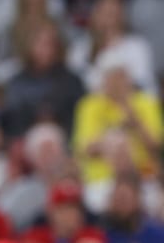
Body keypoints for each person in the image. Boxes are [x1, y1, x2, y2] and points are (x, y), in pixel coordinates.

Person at [72, 66, 163, 214]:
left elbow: (155, 145)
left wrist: (134, 119)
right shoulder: (90, 105)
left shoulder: (146, 102)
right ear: (104, 82)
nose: (117, 84)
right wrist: (113, 137)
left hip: (144, 175)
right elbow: (85, 148)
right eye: (113, 79)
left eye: (121, 78)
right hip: (102, 179)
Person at [20, 180, 106, 243]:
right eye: (63, 209)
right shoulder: (36, 235)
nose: (70, 215)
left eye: (75, 209)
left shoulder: (92, 235)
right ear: (50, 212)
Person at [103, 174, 164, 243]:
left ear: (137, 200)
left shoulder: (156, 233)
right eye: (117, 199)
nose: (121, 205)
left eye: (124, 199)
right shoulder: (103, 234)